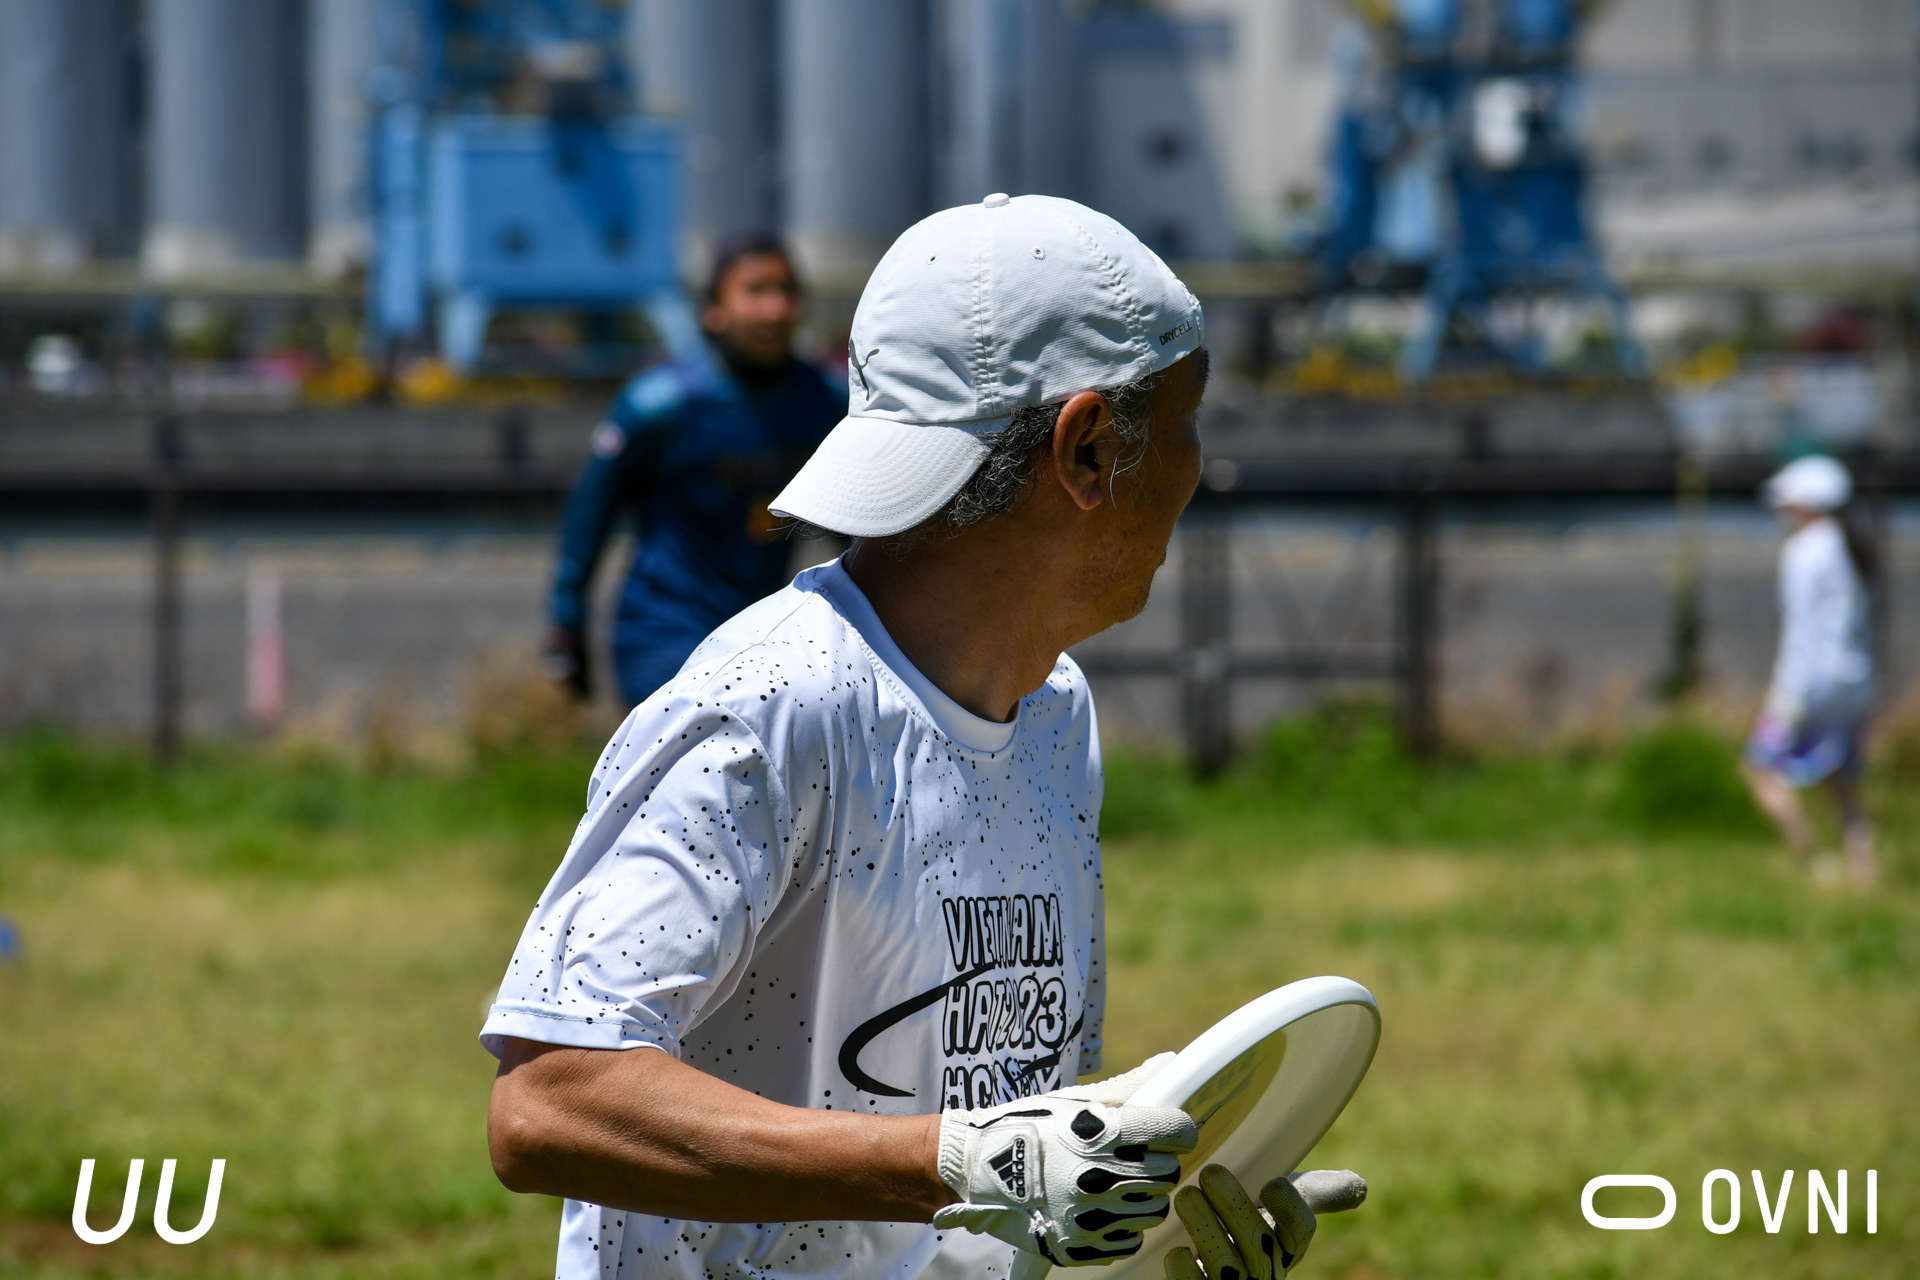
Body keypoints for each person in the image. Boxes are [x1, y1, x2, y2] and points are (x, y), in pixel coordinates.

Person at [483, 194, 1360, 1280]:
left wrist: (1156, 1213)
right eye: (1190, 413)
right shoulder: (770, 706)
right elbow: (550, 1100)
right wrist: (955, 1162)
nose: (1197, 463)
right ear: (1088, 449)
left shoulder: (1053, 711)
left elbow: (1002, 1147)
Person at [544, 231, 843, 706]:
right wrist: (566, 623)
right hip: (664, 634)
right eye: (756, 291)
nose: (774, 309)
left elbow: (855, 529)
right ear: (713, 311)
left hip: (764, 636)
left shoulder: (825, 402)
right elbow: (590, 517)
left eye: (786, 291)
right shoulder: (660, 405)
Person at [1742, 454, 1877, 885]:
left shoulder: (1805, 552)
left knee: (1760, 768)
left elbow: (1802, 631)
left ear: (1806, 503)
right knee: (1841, 780)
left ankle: (1813, 863)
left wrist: (1786, 696)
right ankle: (1864, 870)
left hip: (1812, 685)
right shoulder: (1852, 546)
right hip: (1854, 682)